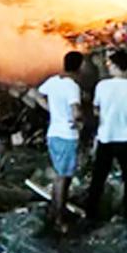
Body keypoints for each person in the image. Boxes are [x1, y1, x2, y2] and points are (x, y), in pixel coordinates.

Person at [84, 50, 127, 239]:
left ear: (116, 66)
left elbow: (96, 109)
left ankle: (89, 218)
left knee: (98, 179)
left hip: (106, 137)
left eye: (110, 65)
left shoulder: (102, 86)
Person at [37, 50, 83, 232]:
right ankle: (59, 218)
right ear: (79, 66)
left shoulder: (53, 81)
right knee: (64, 179)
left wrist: (51, 110)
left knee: (59, 175)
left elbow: (37, 94)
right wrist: (79, 121)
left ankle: (54, 211)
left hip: (53, 134)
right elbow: (76, 110)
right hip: (67, 136)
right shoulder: (72, 86)